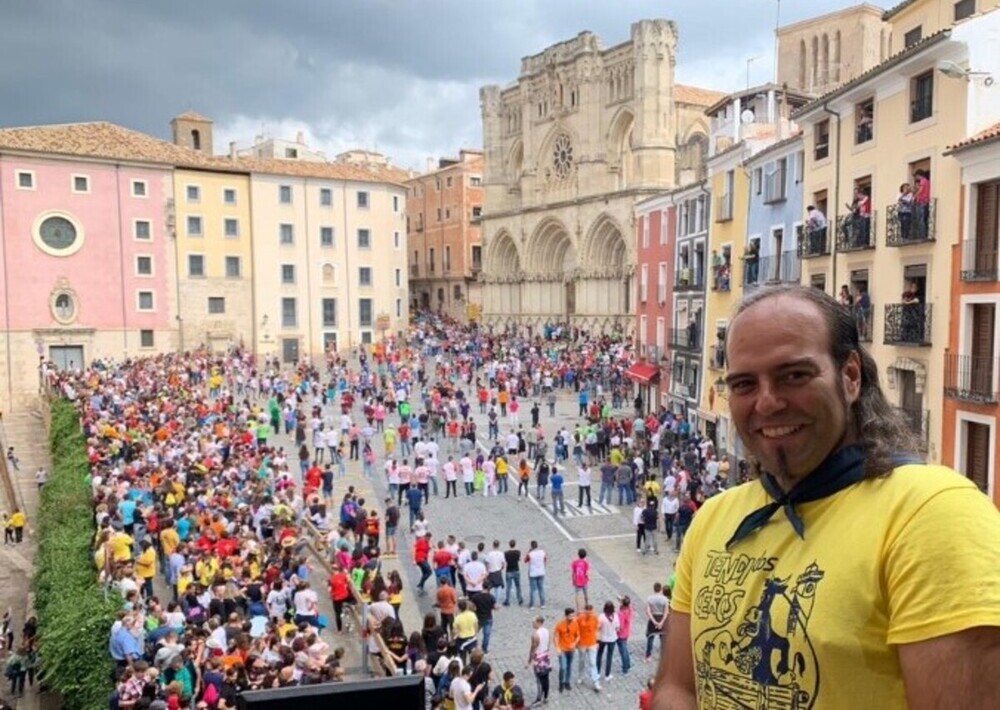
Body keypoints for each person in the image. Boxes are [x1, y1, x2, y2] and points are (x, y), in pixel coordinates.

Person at [655, 284, 1000, 708]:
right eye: (744, 384)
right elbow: (677, 687)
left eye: (794, 375)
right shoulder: (714, 518)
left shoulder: (933, 513)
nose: (766, 402)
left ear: (851, 376)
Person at [527, 616, 551, 705]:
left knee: (539, 679)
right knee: (546, 678)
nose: (532, 623)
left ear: (539, 622)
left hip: (538, 659)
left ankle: (539, 698)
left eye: (534, 622)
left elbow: (532, 649)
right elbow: (548, 644)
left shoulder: (535, 635)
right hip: (545, 656)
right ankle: (546, 697)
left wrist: (529, 661)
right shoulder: (547, 631)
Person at [553, 608, 579, 693]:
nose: (572, 617)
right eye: (570, 615)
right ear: (566, 615)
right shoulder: (560, 624)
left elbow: (578, 636)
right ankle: (561, 683)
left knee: (569, 666)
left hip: (571, 649)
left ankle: (567, 682)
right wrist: (557, 647)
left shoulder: (575, 624)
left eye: (573, 615)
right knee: (563, 667)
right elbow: (556, 637)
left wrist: (574, 643)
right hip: (563, 649)